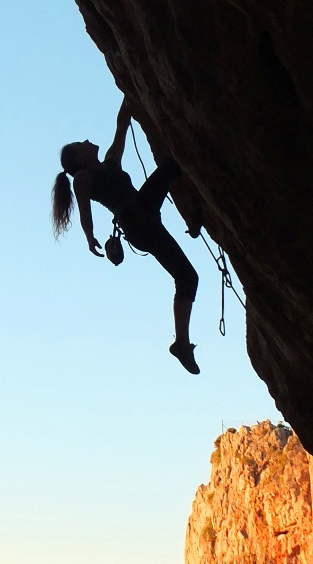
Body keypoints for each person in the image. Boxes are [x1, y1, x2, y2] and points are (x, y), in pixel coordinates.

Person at [51, 98, 202, 374]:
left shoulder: (111, 163)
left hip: (145, 222)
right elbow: (84, 209)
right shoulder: (82, 177)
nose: (86, 140)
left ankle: (181, 343)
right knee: (171, 167)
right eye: (79, 144)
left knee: (188, 277)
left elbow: (122, 123)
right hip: (135, 218)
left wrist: (128, 93)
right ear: (78, 158)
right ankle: (192, 212)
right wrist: (89, 236)